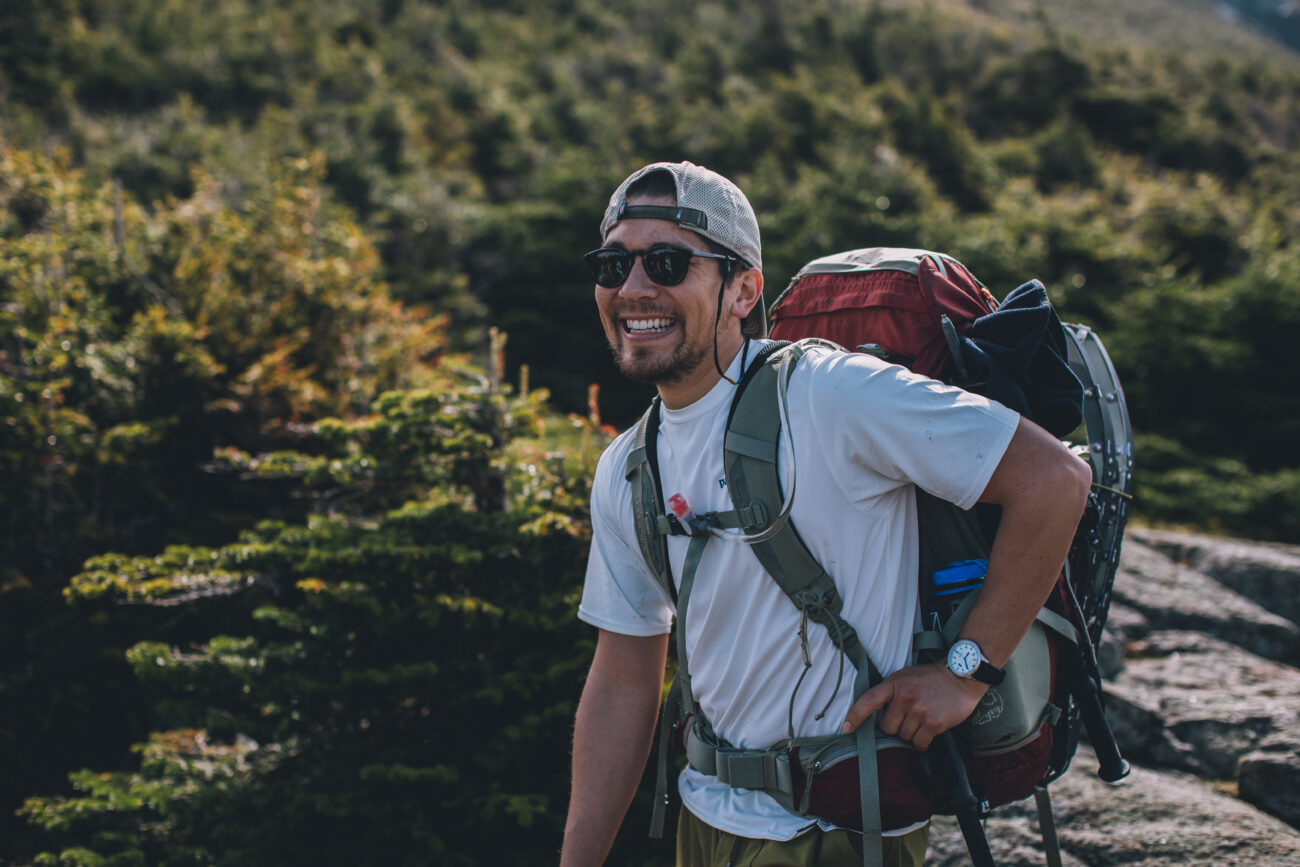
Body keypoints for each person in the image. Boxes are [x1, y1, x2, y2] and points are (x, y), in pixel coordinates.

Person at [559, 161, 1091, 867]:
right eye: (611, 264)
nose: (633, 288)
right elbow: (624, 679)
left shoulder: (829, 394)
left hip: (838, 828)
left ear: (743, 288)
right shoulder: (630, 464)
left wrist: (966, 672)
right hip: (703, 817)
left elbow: (1054, 478)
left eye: (666, 262)